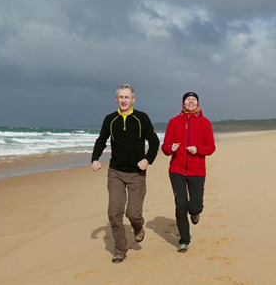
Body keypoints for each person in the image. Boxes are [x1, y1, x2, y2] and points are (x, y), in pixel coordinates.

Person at [91, 84, 160, 263]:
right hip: (115, 173)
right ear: (116, 99)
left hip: (137, 174)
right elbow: (101, 140)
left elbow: (154, 142)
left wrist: (147, 160)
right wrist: (95, 158)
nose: (123, 100)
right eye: (121, 97)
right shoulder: (110, 119)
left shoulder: (141, 118)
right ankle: (120, 249)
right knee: (114, 213)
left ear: (133, 99)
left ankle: (138, 227)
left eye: (127, 97)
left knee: (133, 213)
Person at [161, 91, 216, 253]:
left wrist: (198, 150)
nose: (190, 102)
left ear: (197, 104)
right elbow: (164, 147)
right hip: (176, 170)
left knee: (195, 206)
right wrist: (170, 148)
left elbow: (211, 147)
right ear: (183, 104)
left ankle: (195, 213)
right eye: (187, 100)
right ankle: (184, 240)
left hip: (197, 171)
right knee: (180, 206)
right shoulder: (174, 122)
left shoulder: (205, 122)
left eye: (193, 99)